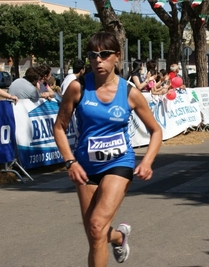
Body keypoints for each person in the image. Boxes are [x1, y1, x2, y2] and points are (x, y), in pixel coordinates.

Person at [53, 32, 162, 267]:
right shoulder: (77, 88)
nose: (98, 60)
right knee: (95, 235)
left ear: (117, 57)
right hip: (85, 166)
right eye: (93, 55)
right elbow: (59, 128)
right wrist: (70, 161)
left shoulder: (129, 92)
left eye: (104, 55)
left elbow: (156, 130)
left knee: (96, 225)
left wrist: (147, 161)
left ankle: (117, 236)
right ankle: (120, 237)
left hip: (119, 163)